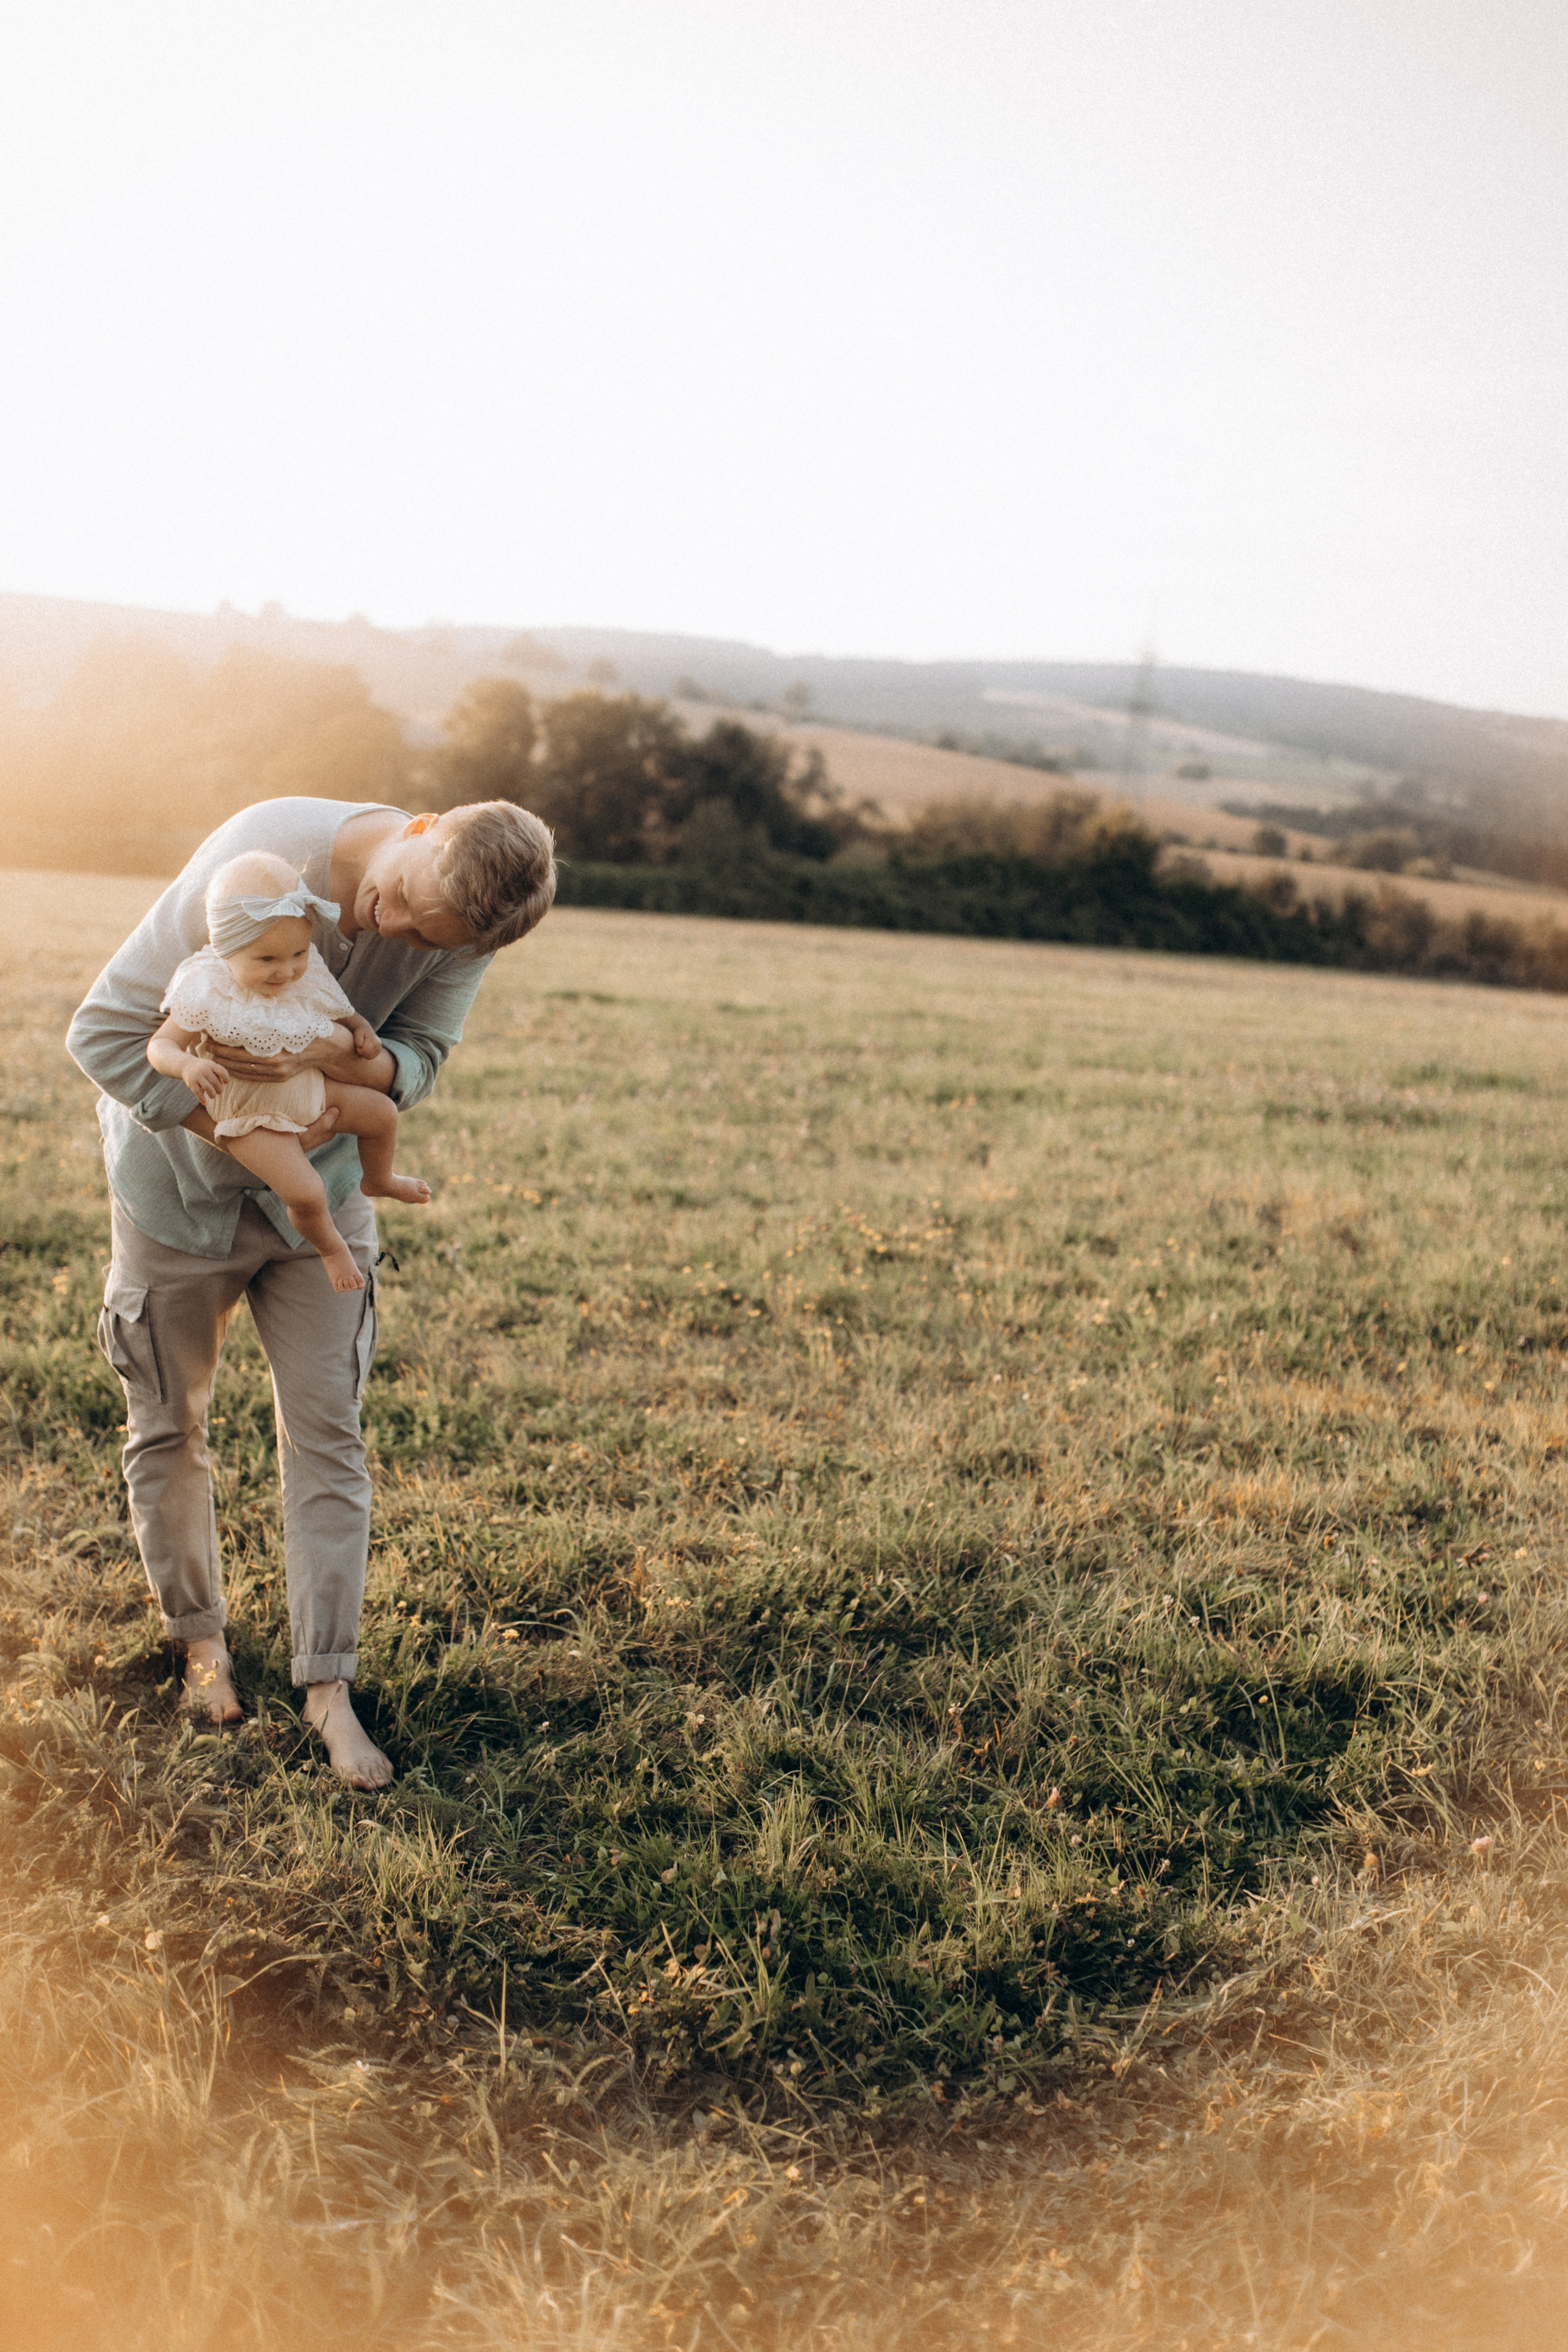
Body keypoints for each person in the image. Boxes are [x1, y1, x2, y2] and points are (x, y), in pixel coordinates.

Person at [67, 796, 556, 1787]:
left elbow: (418, 1060)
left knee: (329, 1434)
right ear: (424, 828)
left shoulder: (471, 918)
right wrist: (251, 1135)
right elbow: (107, 1034)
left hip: (324, 1207)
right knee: (170, 1424)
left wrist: (360, 1065)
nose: (403, 934)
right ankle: (200, 1645)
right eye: (411, 907)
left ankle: (328, 1689)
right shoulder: (260, 854)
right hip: (175, 1199)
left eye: (435, 939)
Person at [148, 850, 432, 1292]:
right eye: (267, 961)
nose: (287, 971)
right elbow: (160, 1046)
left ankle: (379, 1179)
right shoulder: (206, 986)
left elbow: (339, 1011)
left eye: (298, 953)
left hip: (315, 1090)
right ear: (226, 947)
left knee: (382, 1114)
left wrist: (359, 1029)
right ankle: (331, 1248)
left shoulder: (305, 969)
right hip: (251, 1118)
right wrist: (186, 1065)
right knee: (305, 1191)